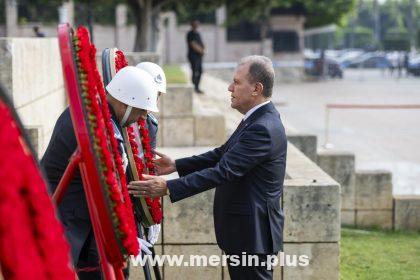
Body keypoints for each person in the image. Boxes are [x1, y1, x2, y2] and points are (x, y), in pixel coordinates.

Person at [128, 55, 287, 280]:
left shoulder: (263, 127)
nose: (230, 88)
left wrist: (168, 187)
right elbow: (222, 154)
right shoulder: (256, 119)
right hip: (245, 233)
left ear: (256, 89)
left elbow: (224, 170)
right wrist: (176, 165)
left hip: (253, 236)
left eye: (237, 82)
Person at [41, 66, 159, 280]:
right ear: (125, 103)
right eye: (141, 110)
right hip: (69, 219)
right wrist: (126, 234)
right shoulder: (98, 125)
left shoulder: (99, 114)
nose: (142, 117)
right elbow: (106, 188)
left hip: (81, 218)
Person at [136, 61, 167, 149]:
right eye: (151, 93)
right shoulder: (121, 117)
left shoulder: (151, 125)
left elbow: (150, 159)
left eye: (158, 94)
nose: (154, 99)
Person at [186, 19, 205, 94]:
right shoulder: (190, 34)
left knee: (200, 71)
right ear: (192, 24)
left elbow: (201, 43)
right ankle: (194, 87)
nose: (197, 25)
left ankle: (197, 87)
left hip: (199, 56)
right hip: (193, 56)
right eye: (195, 23)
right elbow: (193, 45)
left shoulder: (198, 33)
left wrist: (203, 50)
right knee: (195, 71)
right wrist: (202, 51)